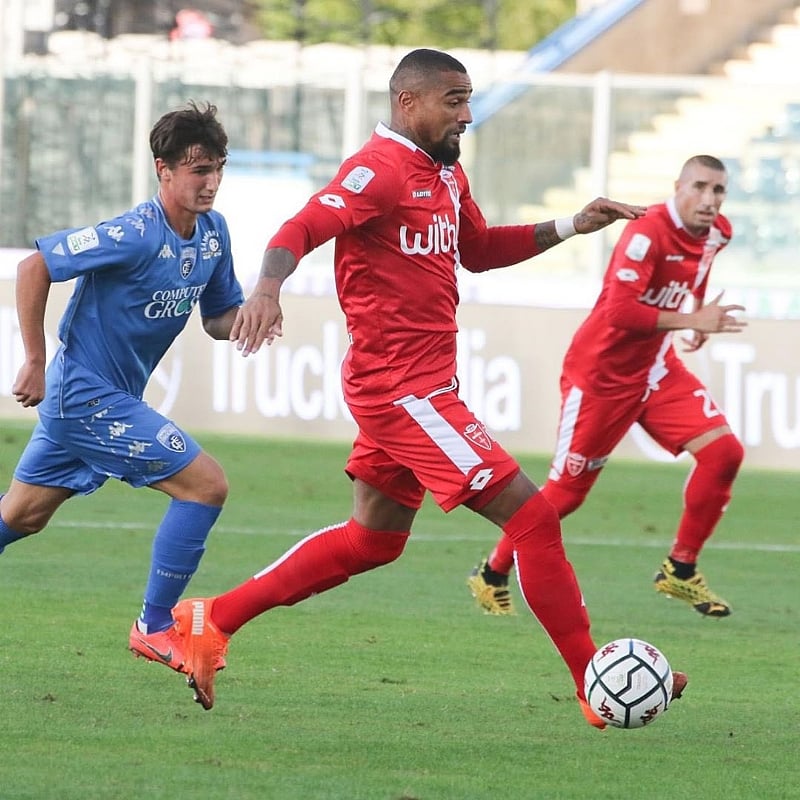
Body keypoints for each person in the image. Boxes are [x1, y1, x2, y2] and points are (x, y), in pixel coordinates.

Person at [169, 48, 687, 723]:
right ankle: (593, 679)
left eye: (469, 101)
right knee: (532, 517)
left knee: (374, 540)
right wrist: (266, 288)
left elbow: (476, 249)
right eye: (454, 100)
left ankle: (212, 618)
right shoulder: (377, 170)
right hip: (402, 392)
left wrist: (571, 224)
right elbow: (301, 227)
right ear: (408, 101)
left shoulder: (443, 173)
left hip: (421, 386)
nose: (466, 115)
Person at [0, 101, 243, 675]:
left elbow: (217, 318)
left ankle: (155, 626)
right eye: (197, 169)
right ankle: (154, 627)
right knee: (206, 486)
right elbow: (34, 266)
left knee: (22, 516)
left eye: (217, 168)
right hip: (83, 395)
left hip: (110, 399)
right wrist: (34, 359)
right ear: (164, 170)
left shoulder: (212, 234)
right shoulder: (135, 233)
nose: (209, 182)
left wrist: (258, 315)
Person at [467, 154, 746, 619]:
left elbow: (695, 272)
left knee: (725, 453)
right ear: (677, 186)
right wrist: (689, 319)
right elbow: (618, 311)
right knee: (567, 494)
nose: (709, 199)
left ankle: (680, 569)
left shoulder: (719, 233)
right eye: (698, 187)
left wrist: (695, 312)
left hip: (656, 370)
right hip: (599, 378)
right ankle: (492, 572)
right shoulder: (646, 233)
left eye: (718, 191)